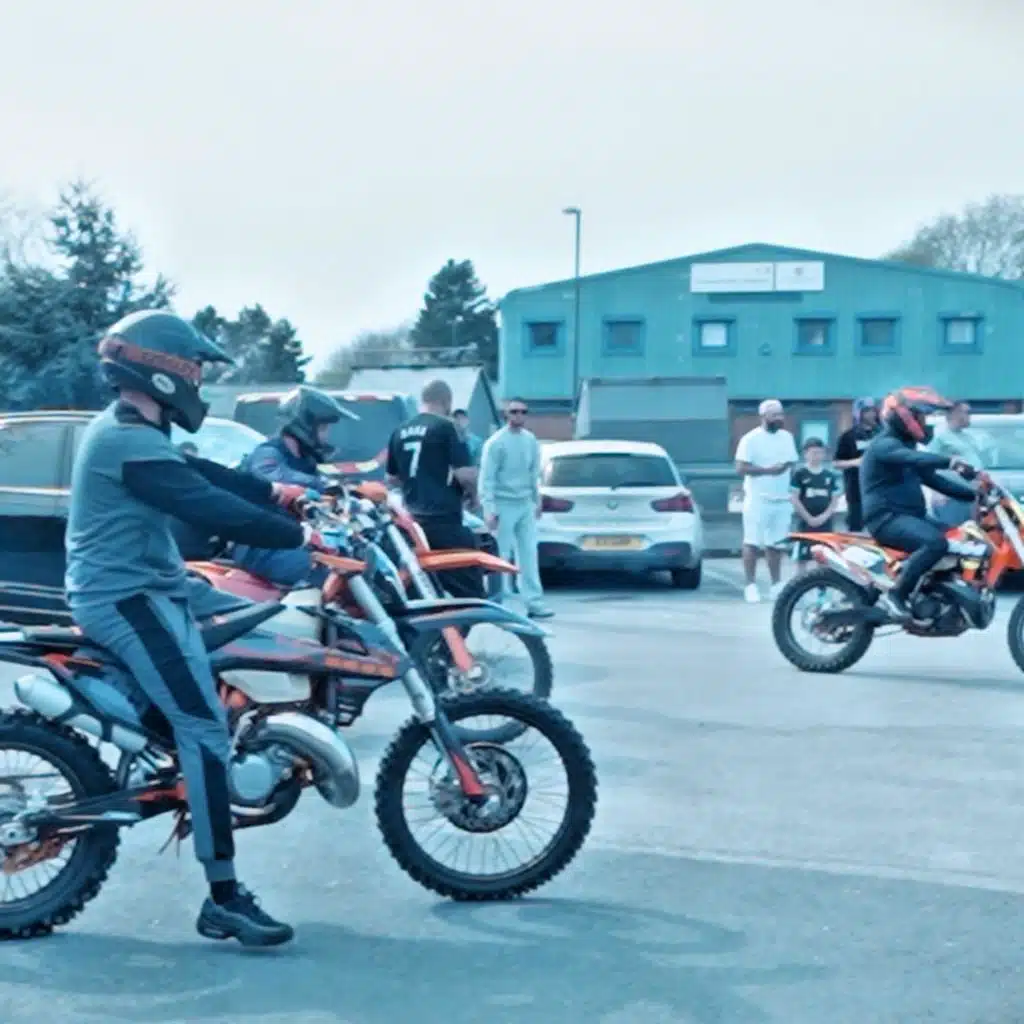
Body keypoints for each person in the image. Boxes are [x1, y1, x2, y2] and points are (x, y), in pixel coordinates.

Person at [65, 309, 323, 947]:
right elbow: (203, 504)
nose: (200, 383)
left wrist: (277, 496)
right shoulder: (123, 441)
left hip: (161, 584)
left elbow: (201, 474)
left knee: (261, 618)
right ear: (165, 371)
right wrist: (299, 537)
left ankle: (219, 732)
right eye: (197, 370)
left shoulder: (135, 430)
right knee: (202, 727)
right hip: (124, 598)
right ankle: (224, 898)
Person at [861, 386, 980, 621]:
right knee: (935, 543)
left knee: (960, 538)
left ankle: (936, 593)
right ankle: (896, 595)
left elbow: (934, 480)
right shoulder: (885, 445)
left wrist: (974, 494)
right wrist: (951, 462)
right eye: (921, 416)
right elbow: (912, 459)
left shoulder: (907, 447)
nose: (925, 423)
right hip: (887, 519)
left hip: (911, 517)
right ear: (904, 416)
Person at [232, 386, 350, 586]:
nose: (326, 436)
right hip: (261, 546)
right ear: (305, 425)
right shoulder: (268, 453)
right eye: (323, 428)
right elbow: (270, 475)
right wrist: (327, 486)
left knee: (347, 559)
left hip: (290, 539)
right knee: (328, 572)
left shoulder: (304, 461)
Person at [386, 379, 484, 599]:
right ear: (447, 401)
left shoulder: (400, 431)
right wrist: (474, 496)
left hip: (412, 526)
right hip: (444, 522)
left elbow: (392, 478)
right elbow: (465, 474)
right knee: (470, 593)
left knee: (421, 592)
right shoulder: (448, 427)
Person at [479, 397, 553, 620]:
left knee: (529, 554)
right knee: (501, 556)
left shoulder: (530, 440)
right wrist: (489, 509)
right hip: (503, 505)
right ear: (506, 414)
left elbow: (534, 474)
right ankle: (502, 604)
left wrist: (537, 501)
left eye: (523, 412)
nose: (519, 415)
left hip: (524, 504)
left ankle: (534, 602)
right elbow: (487, 478)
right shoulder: (496, 443)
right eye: (514, 411)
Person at [734, 399, 800, 603]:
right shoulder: (750, 439)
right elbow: (741, 468)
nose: (779, 418)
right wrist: (767, 471)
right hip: (758, 499)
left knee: (776, 544)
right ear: (763, 417)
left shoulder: (787, 437)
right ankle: (750, 585)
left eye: (781, 414)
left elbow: (792, 464)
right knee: (752, 542)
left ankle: (776, 584)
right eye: (775, 415)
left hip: (781, 499)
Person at [926, 401, 987, 528]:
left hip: (971, 495)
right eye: (967, 412)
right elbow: (929, 465)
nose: (970, 416)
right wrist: (937, 492)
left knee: (973, 531)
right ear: (955, 414)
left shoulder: (968, 437)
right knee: (955, 531)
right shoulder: (940, 437)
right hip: (951, 497)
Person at [789, 437, 841, 575]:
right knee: (802, 558)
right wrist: (808, 518)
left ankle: (822, 585)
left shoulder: (829, 475)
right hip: (806, 523)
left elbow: (835, 500)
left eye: (820, 452)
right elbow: (794, 498)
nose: (816, 456)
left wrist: (825, 516)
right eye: (813, 453)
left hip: (825, 523)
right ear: (806, 453)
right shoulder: (800, 474)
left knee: (824, 556)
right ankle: (800, 584)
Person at [832, 396, 880, 533]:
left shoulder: (881, 434)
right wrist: (855, 462)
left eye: (873, 411)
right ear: (858, 413)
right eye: (867, 411)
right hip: (856, 490)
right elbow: (836, 463)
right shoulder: (848, 436)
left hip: (878, 489)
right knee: (856, 527)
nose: (871, 414)